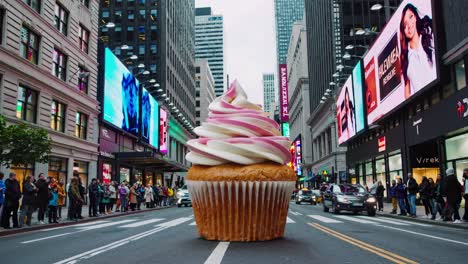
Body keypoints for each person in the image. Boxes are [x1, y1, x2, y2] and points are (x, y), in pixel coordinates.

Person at [399, 3, 435, 99]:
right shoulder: (406, 58)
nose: (409, 26)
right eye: (405, 24)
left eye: (411, 17)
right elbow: (407, 95)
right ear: (403, 30)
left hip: (440, 91)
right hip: (423, 104)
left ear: (415, 17)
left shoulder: (428, 37)